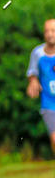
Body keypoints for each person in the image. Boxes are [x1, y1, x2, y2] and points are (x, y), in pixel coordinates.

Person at [26, 18, 55, 154]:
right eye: (46, 31)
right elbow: (32, 73)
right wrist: (33, 81)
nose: (49, 34)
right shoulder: (37, 53)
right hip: (49, 103)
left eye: (53, 31)